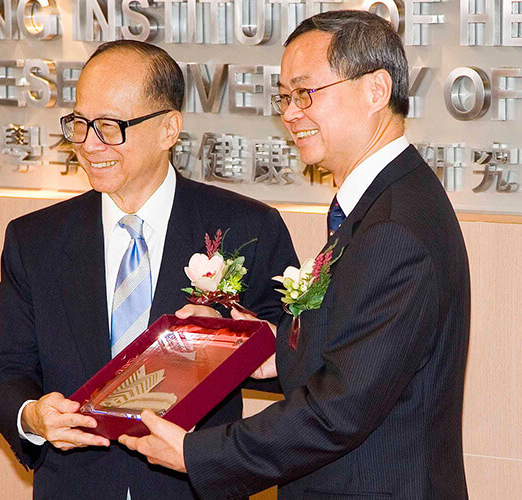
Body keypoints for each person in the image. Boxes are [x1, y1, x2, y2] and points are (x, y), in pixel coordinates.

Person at [120, 11, 471, 499]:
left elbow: (339, 409)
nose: (290, 113)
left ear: (376, 90)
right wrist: (259, 344)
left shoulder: (395, 228)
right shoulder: (383, 201)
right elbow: (354, 349)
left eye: (306, 93)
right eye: (284, 97)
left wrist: (197, 453)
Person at [0, 40, 298, 499]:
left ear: (168, 128)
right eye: (79, 124)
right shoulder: (36, 239)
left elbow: (297, 362)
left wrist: (242, 343)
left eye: (109, 127)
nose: (88, 145)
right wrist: (33, 416)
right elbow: (1, 368)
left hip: (191, 487)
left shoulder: (246, 227)